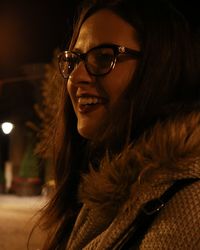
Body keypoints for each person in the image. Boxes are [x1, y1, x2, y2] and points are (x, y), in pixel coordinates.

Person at [38, 0, 200, 249]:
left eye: (103, 57)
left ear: (161, 68)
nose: (76, 77)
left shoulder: (188, 202)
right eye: (74, 60)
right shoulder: (101, 187)